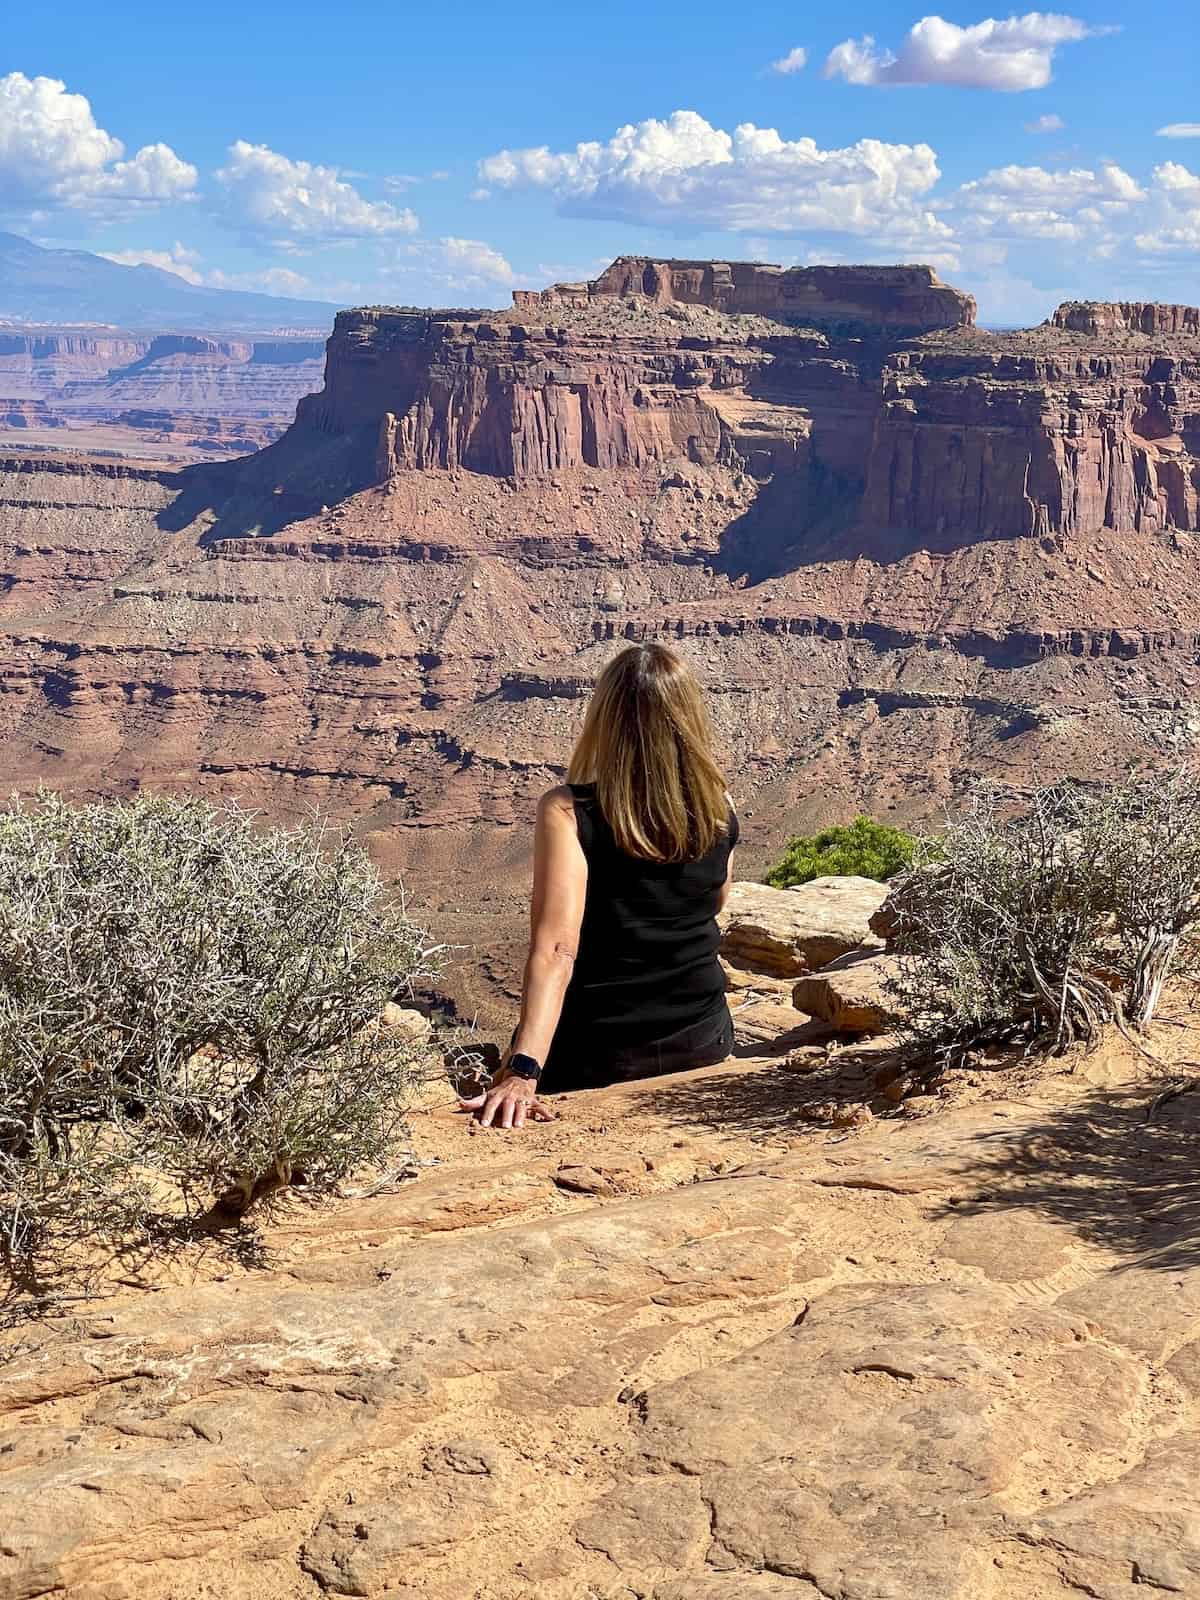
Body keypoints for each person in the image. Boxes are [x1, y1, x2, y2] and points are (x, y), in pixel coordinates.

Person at [461, 641, 738, 1130]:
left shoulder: (568, 810)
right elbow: (714, 901)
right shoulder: (720, 807)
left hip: (600, 1055)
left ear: (605, 720)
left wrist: (524, 1070)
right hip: (703, 1042)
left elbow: (556, 949)